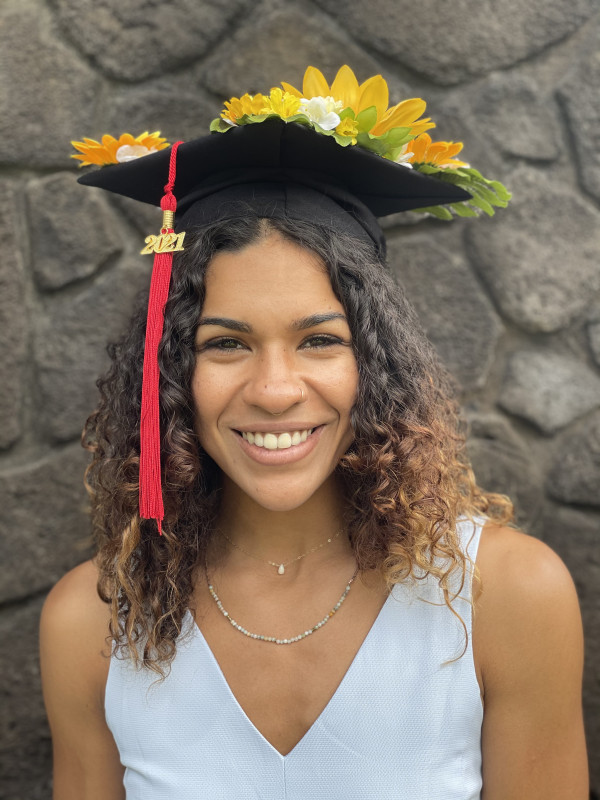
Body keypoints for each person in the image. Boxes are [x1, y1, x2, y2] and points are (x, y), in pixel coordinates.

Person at [40, 66, 588, 799]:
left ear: (376, 363)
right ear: (171, 371)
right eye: (226, 344)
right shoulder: (96, 621)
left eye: (320, 341)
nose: (273, 390)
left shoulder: (506, 597)